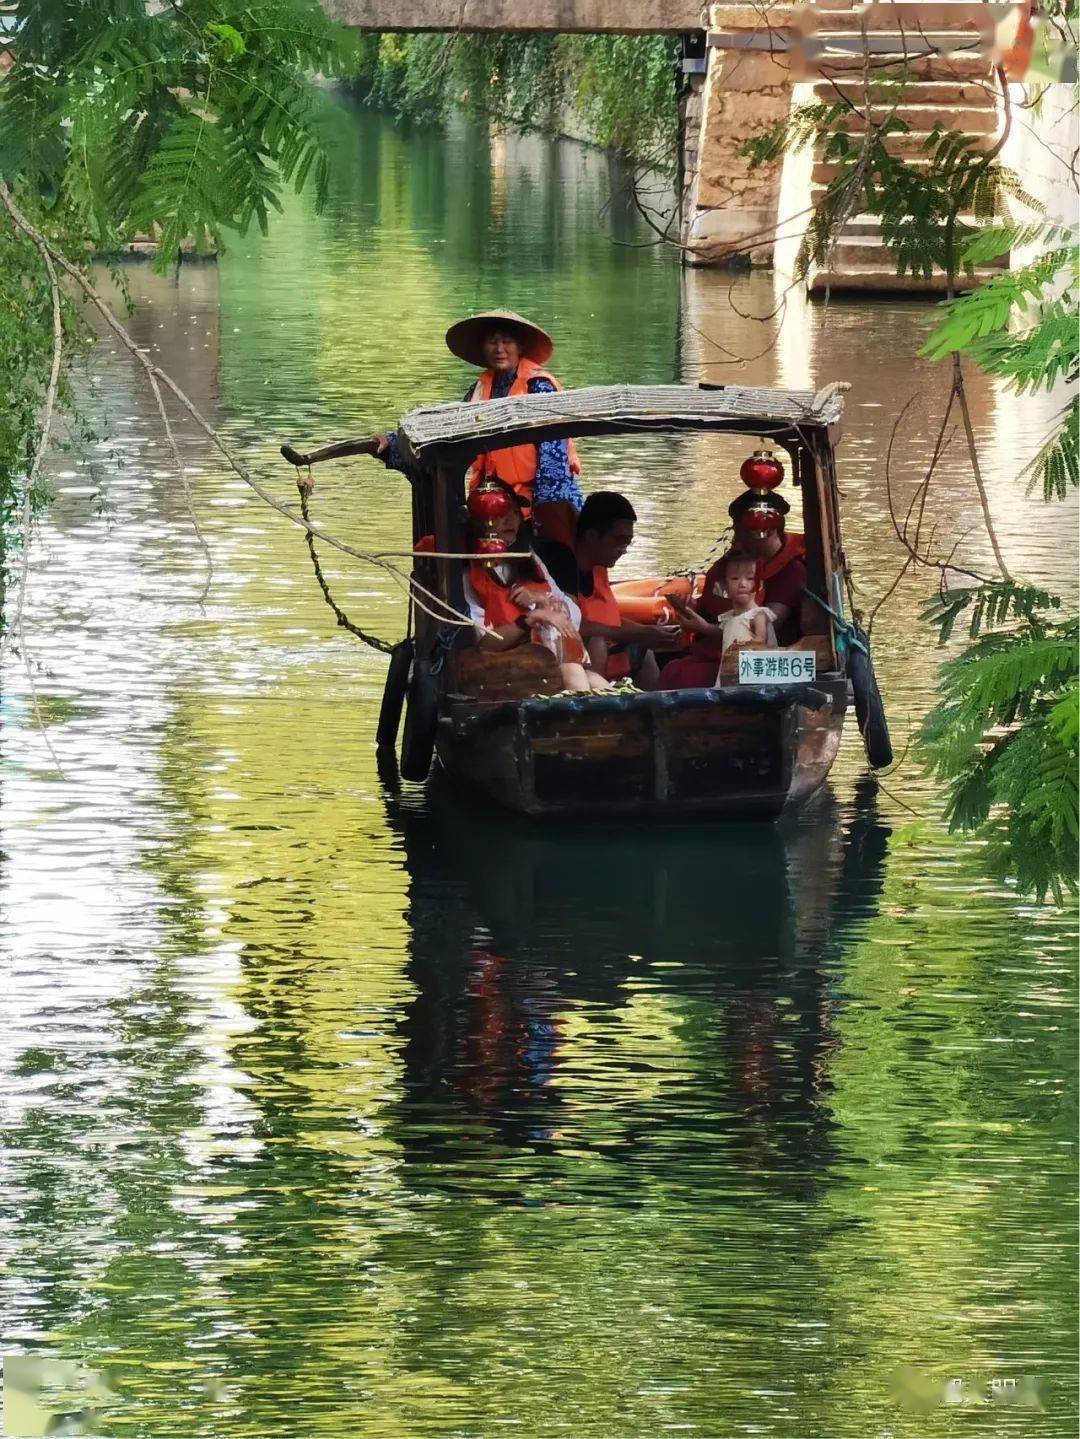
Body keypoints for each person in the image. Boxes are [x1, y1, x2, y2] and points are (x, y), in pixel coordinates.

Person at [375, 309, 583, 544]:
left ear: (520, 347)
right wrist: (395, 443)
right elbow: (448, 429)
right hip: (494, 503)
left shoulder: (539, 387)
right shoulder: (479, 390)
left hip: (543, 501)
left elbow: (552, 461)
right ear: (483, 348)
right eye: (492, 342)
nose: (499, 349)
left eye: (507, 341)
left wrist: (539, 516)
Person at [462, 482, 609, 694]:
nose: (511, 520)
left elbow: (571, 616)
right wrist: (531, 618)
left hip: (553, 660)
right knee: (577, 673)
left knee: (593, 678)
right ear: (481, 520)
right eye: (502, 513)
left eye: (515, 512)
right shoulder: (469, 576)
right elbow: (484, 644)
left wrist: (542, 599)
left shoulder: (530, 561)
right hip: (511, 669)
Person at [535, 490, 682, 689]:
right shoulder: (559, 564)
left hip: (590, 651)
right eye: (619, 540)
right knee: (599, 638)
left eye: (627, 543)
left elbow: (606, 619)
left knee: (641, 649)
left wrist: (645, 632)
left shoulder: (598, 567)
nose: (624, 550)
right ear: (592, 536)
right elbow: (571, 623)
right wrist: (639, 633)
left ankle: (653, 710)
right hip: (562, 658)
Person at [661, 491, 805, 689]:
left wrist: (705, 629)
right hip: (719, 652)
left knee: (679, 674)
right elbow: (715, 608)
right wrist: (691, 608)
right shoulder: (738, 563)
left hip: (759, 664)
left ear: (768, 530)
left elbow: (763, 631)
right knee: (672, 666)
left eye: (742, 531)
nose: (736, 538)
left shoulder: (791, 571)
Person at [706, 550, 777, 660]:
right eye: (735, 578)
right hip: (730, 674)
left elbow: (761, 642)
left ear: (760, 584)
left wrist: (738, 649)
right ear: (725, 585)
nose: (742, 584)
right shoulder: (728, 618)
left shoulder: (758, 615)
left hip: (754, 673)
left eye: (750, 578)